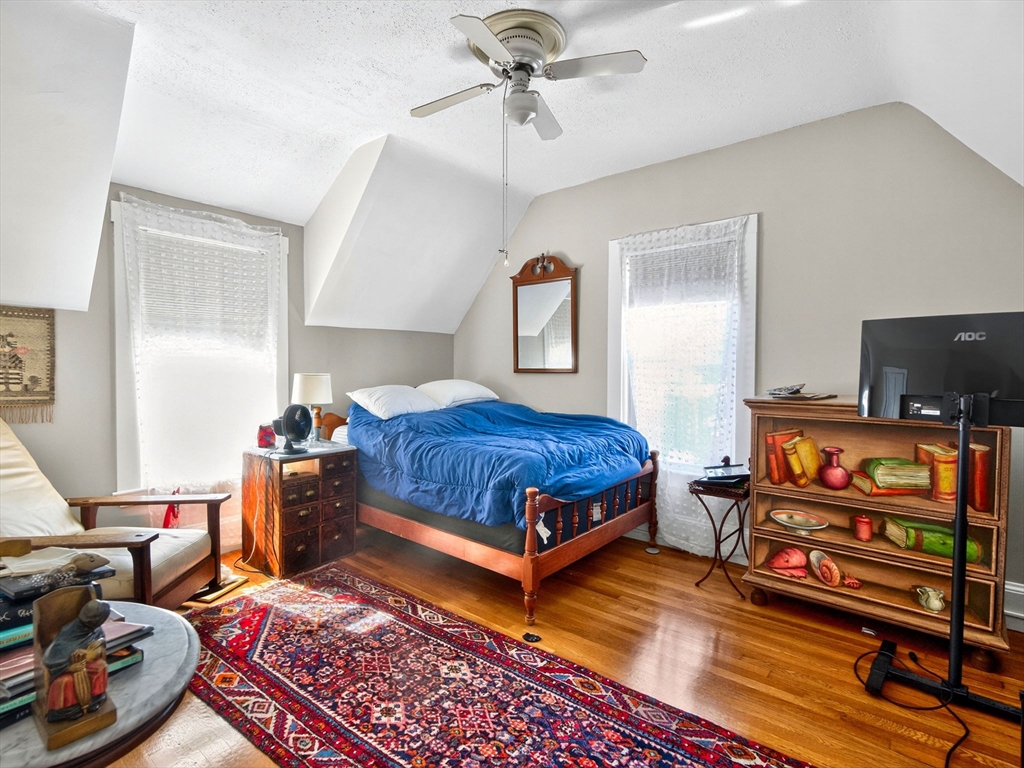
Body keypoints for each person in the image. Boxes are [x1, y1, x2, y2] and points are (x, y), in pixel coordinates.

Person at [42, 599, 110, 722]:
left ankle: (95, 699)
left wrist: (93, 651)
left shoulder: (95, 629)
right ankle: (64, 711)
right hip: (65, 669)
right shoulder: (68, 631)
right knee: (66, 681)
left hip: (86, 663)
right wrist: (69, 667)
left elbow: (101, 641)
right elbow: (51, 658)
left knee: (101, 666)